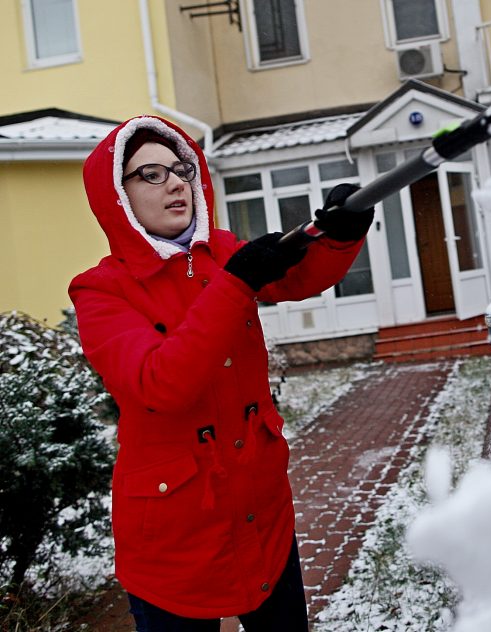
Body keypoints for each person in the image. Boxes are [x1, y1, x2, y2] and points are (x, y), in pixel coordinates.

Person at [69, 115, 373, 630]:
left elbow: (297, 275)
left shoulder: (221, 252)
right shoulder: (101, 291)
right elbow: (159, 383)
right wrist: (235, 284)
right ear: (115, 196)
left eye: (181, 168)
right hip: (172, 535)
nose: (175, 182)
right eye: (151, 174)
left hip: (261, 509)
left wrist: (339, 235)